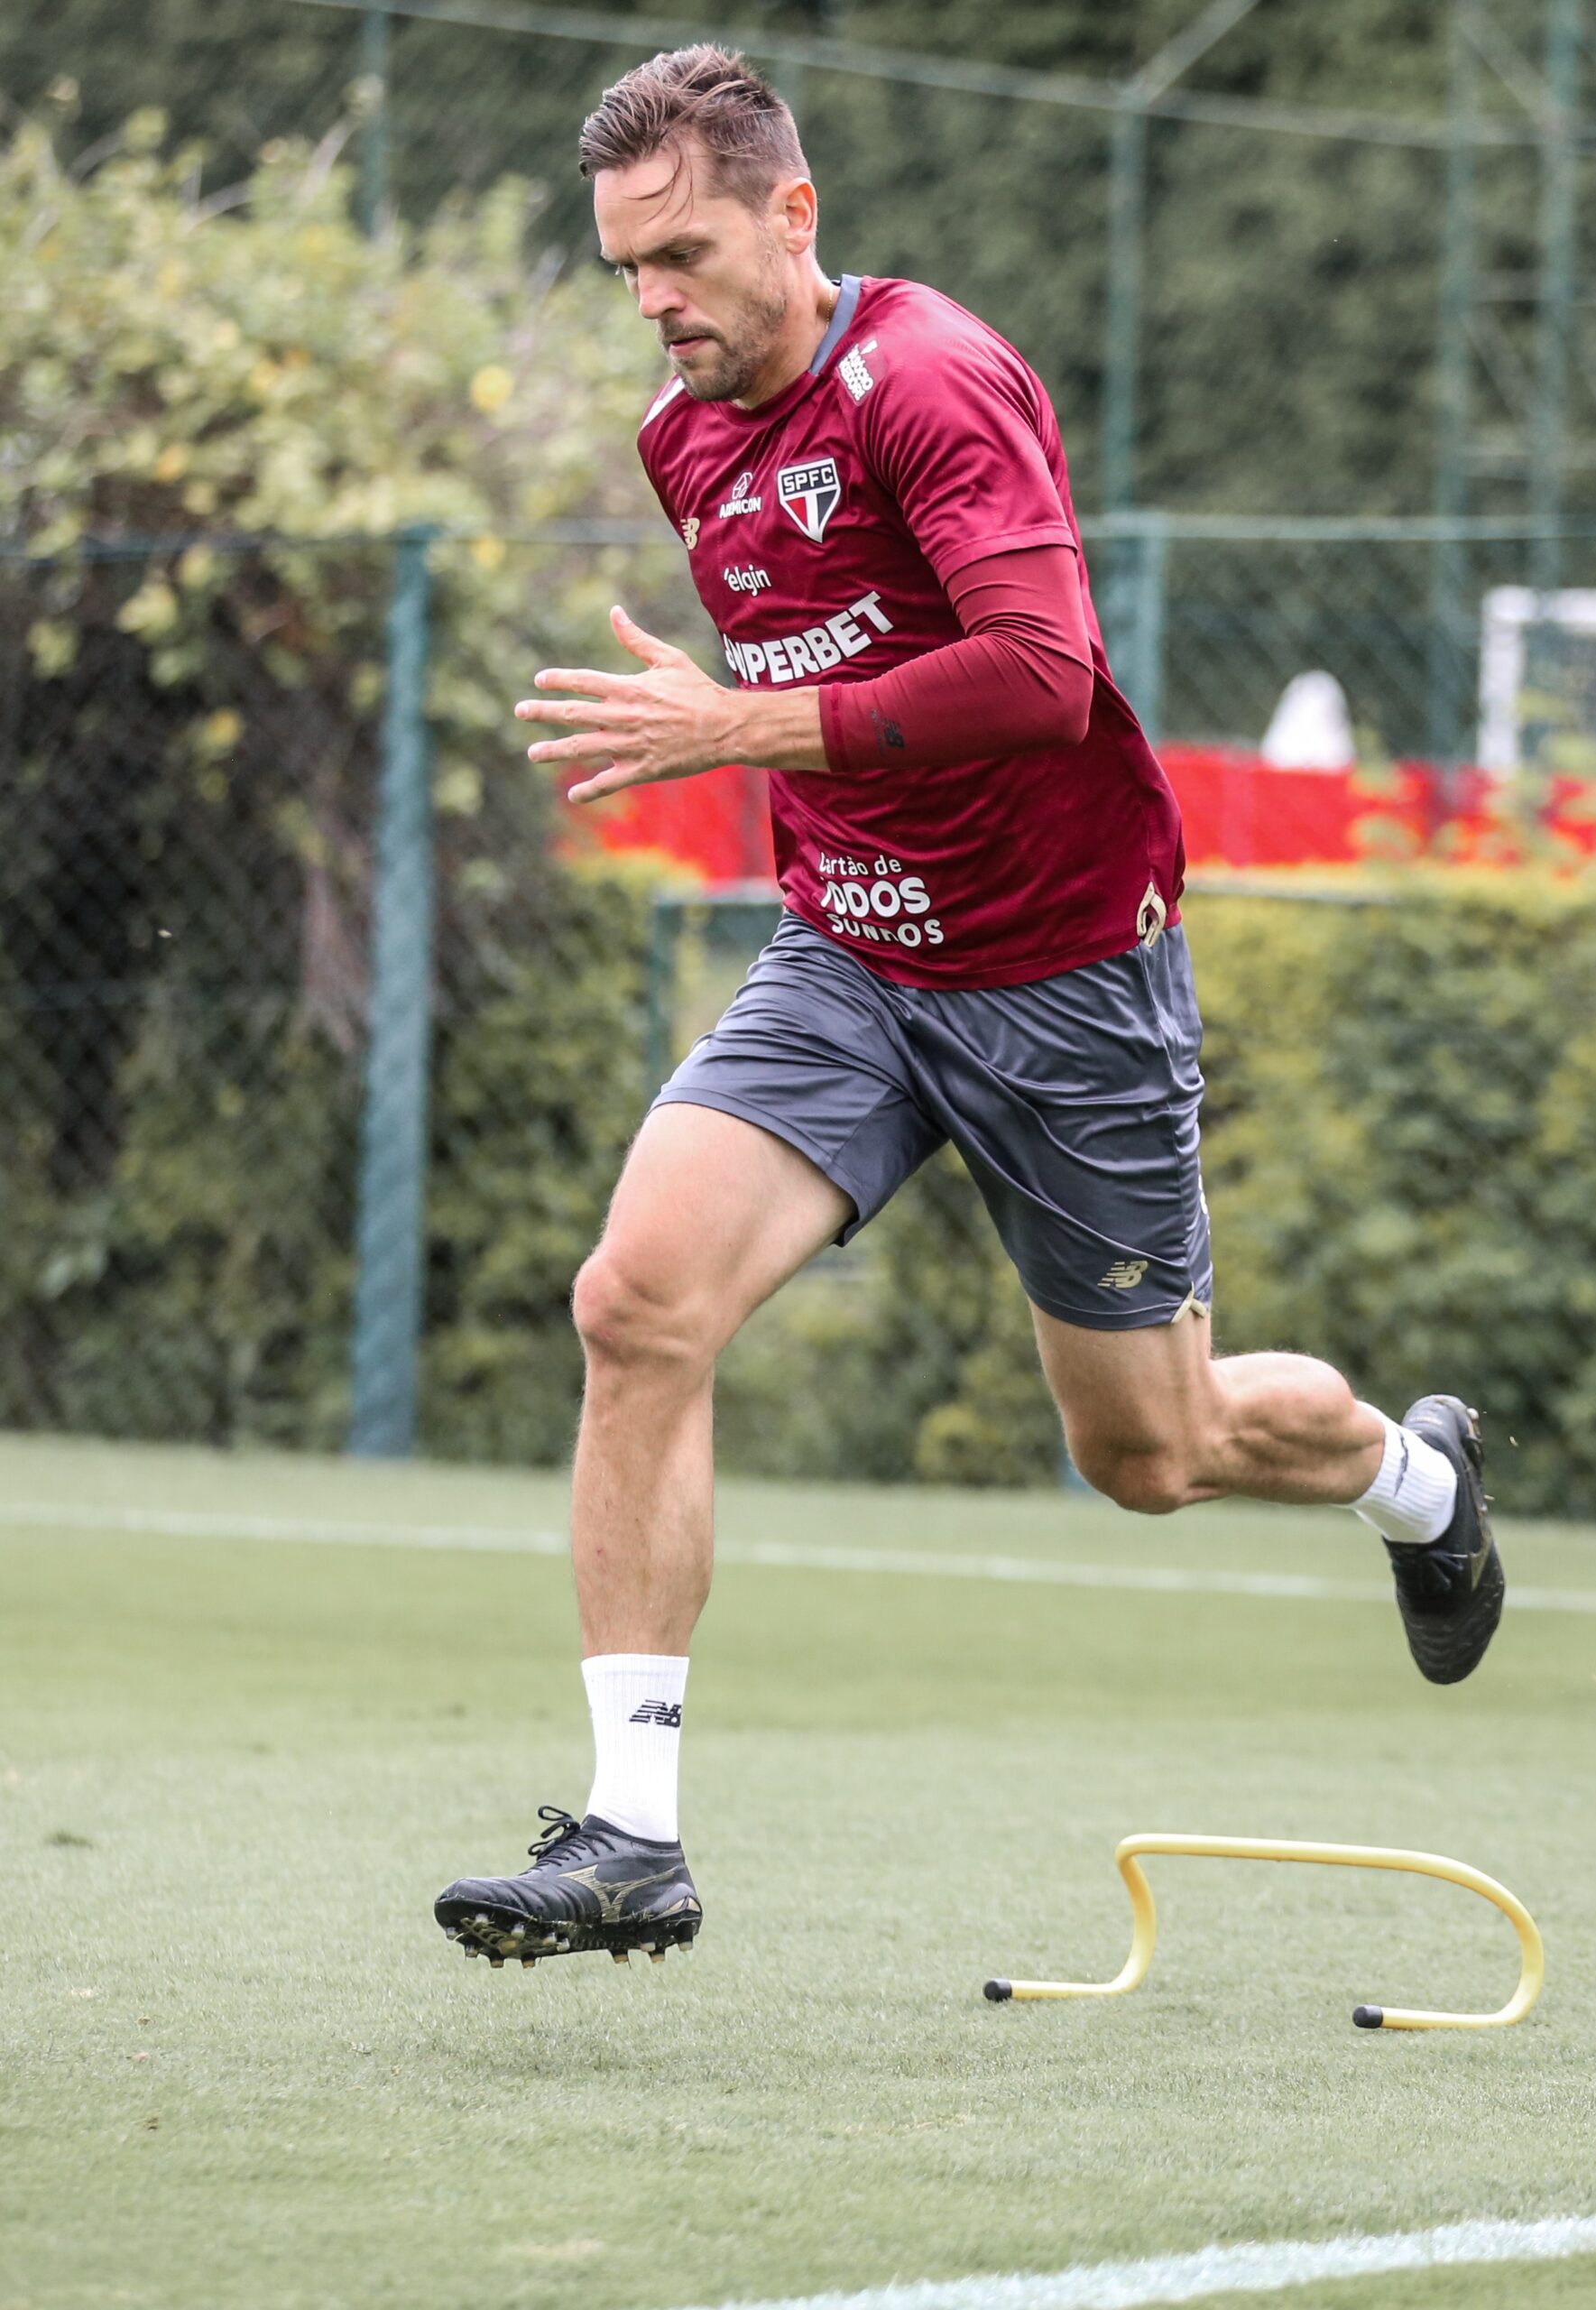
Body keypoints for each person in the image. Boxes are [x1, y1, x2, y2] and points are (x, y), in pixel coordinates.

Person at [433, 44, 1503, 1973]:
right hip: (848, 956)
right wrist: (776, 766)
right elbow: (851, 710)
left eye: (681, 252)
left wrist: (731, 725)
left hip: (1066, 975)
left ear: (793, 210)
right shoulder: (688, 439)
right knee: (634, 1298)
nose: (655, 301)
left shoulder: (931, 379)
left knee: (1148, 1453)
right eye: (625, 271)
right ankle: (632, 1834)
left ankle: (1414, 1478)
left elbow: (1036, 667)